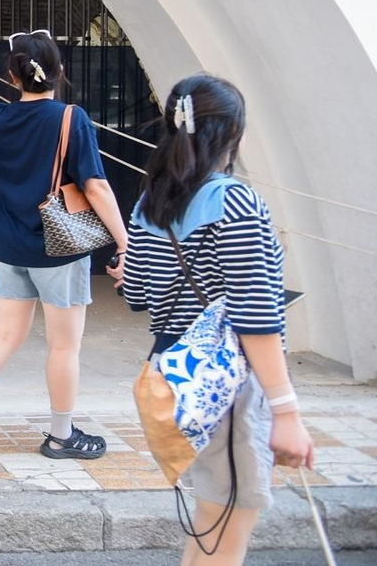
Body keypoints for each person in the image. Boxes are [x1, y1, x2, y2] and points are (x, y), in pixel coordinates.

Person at [119, 75, 312, 566]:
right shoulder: (235, 201)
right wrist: (286, 412)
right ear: (232, 133)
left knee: (211, 525)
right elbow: (255, 315)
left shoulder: (149, 201)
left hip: (173, 379)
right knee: (226, 534)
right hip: (225, 385)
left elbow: (137, 294)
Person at [0, 30, 130, 461]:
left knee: (6, 333)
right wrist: (123, 241)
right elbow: (95, 186)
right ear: (60, 71)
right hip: (60, 249)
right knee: (64, 346)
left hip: (10, 248)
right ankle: (61, 436)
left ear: (11, 76)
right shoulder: (70, 118)